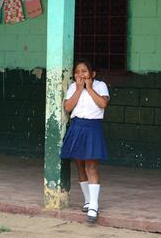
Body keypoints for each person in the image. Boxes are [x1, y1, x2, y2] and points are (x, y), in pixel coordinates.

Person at [60, 59, 110, 223]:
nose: (80, 74)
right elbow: (68, 107)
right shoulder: (74, 87)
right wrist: (79, 88)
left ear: (92, 74)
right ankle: (87, 200)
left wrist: (88, 88)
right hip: (77, 127)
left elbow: (103, 104)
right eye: (77, 72)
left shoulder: (100, 86)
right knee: (80, 164)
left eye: (84, 71)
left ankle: (94, 206)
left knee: (91, 165)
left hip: (92, 128)